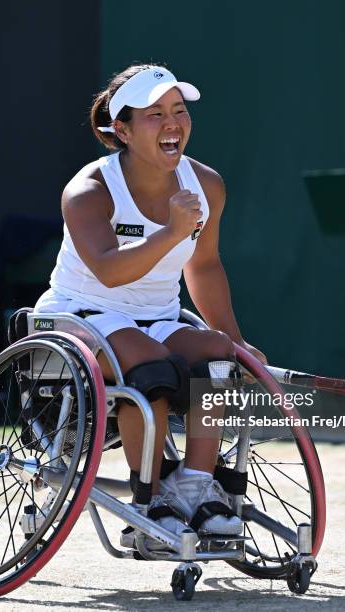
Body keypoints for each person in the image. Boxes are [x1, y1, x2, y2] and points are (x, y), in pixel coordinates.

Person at [34, 64, 267, 547]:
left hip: (157, 318)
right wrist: (171, 232)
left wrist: (236, 339)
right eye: (154, 114)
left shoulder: (207, 185)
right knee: (149, 364)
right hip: (80, 315)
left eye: (179, 111)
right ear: (120, 130)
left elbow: (202, 267)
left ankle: (195, 487)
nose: (172, 123)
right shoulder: (88, 191)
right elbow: (110, 271)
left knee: (218, 358)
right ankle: (151, 501)